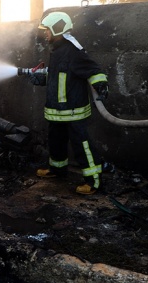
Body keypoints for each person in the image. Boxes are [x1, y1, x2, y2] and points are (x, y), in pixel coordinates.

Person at [29, 11, 109, 195]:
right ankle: (57, 169)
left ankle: (94, 181)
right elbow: (58, 75)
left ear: (57, 29)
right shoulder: (56, 51)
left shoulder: (74, 51)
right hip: (56, 111)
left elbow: (94, 70)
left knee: (82, 146)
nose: (45, 34)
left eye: (47, 30)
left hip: (73, 111)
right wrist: (41, 78)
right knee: (56, 142)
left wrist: (101, 84)